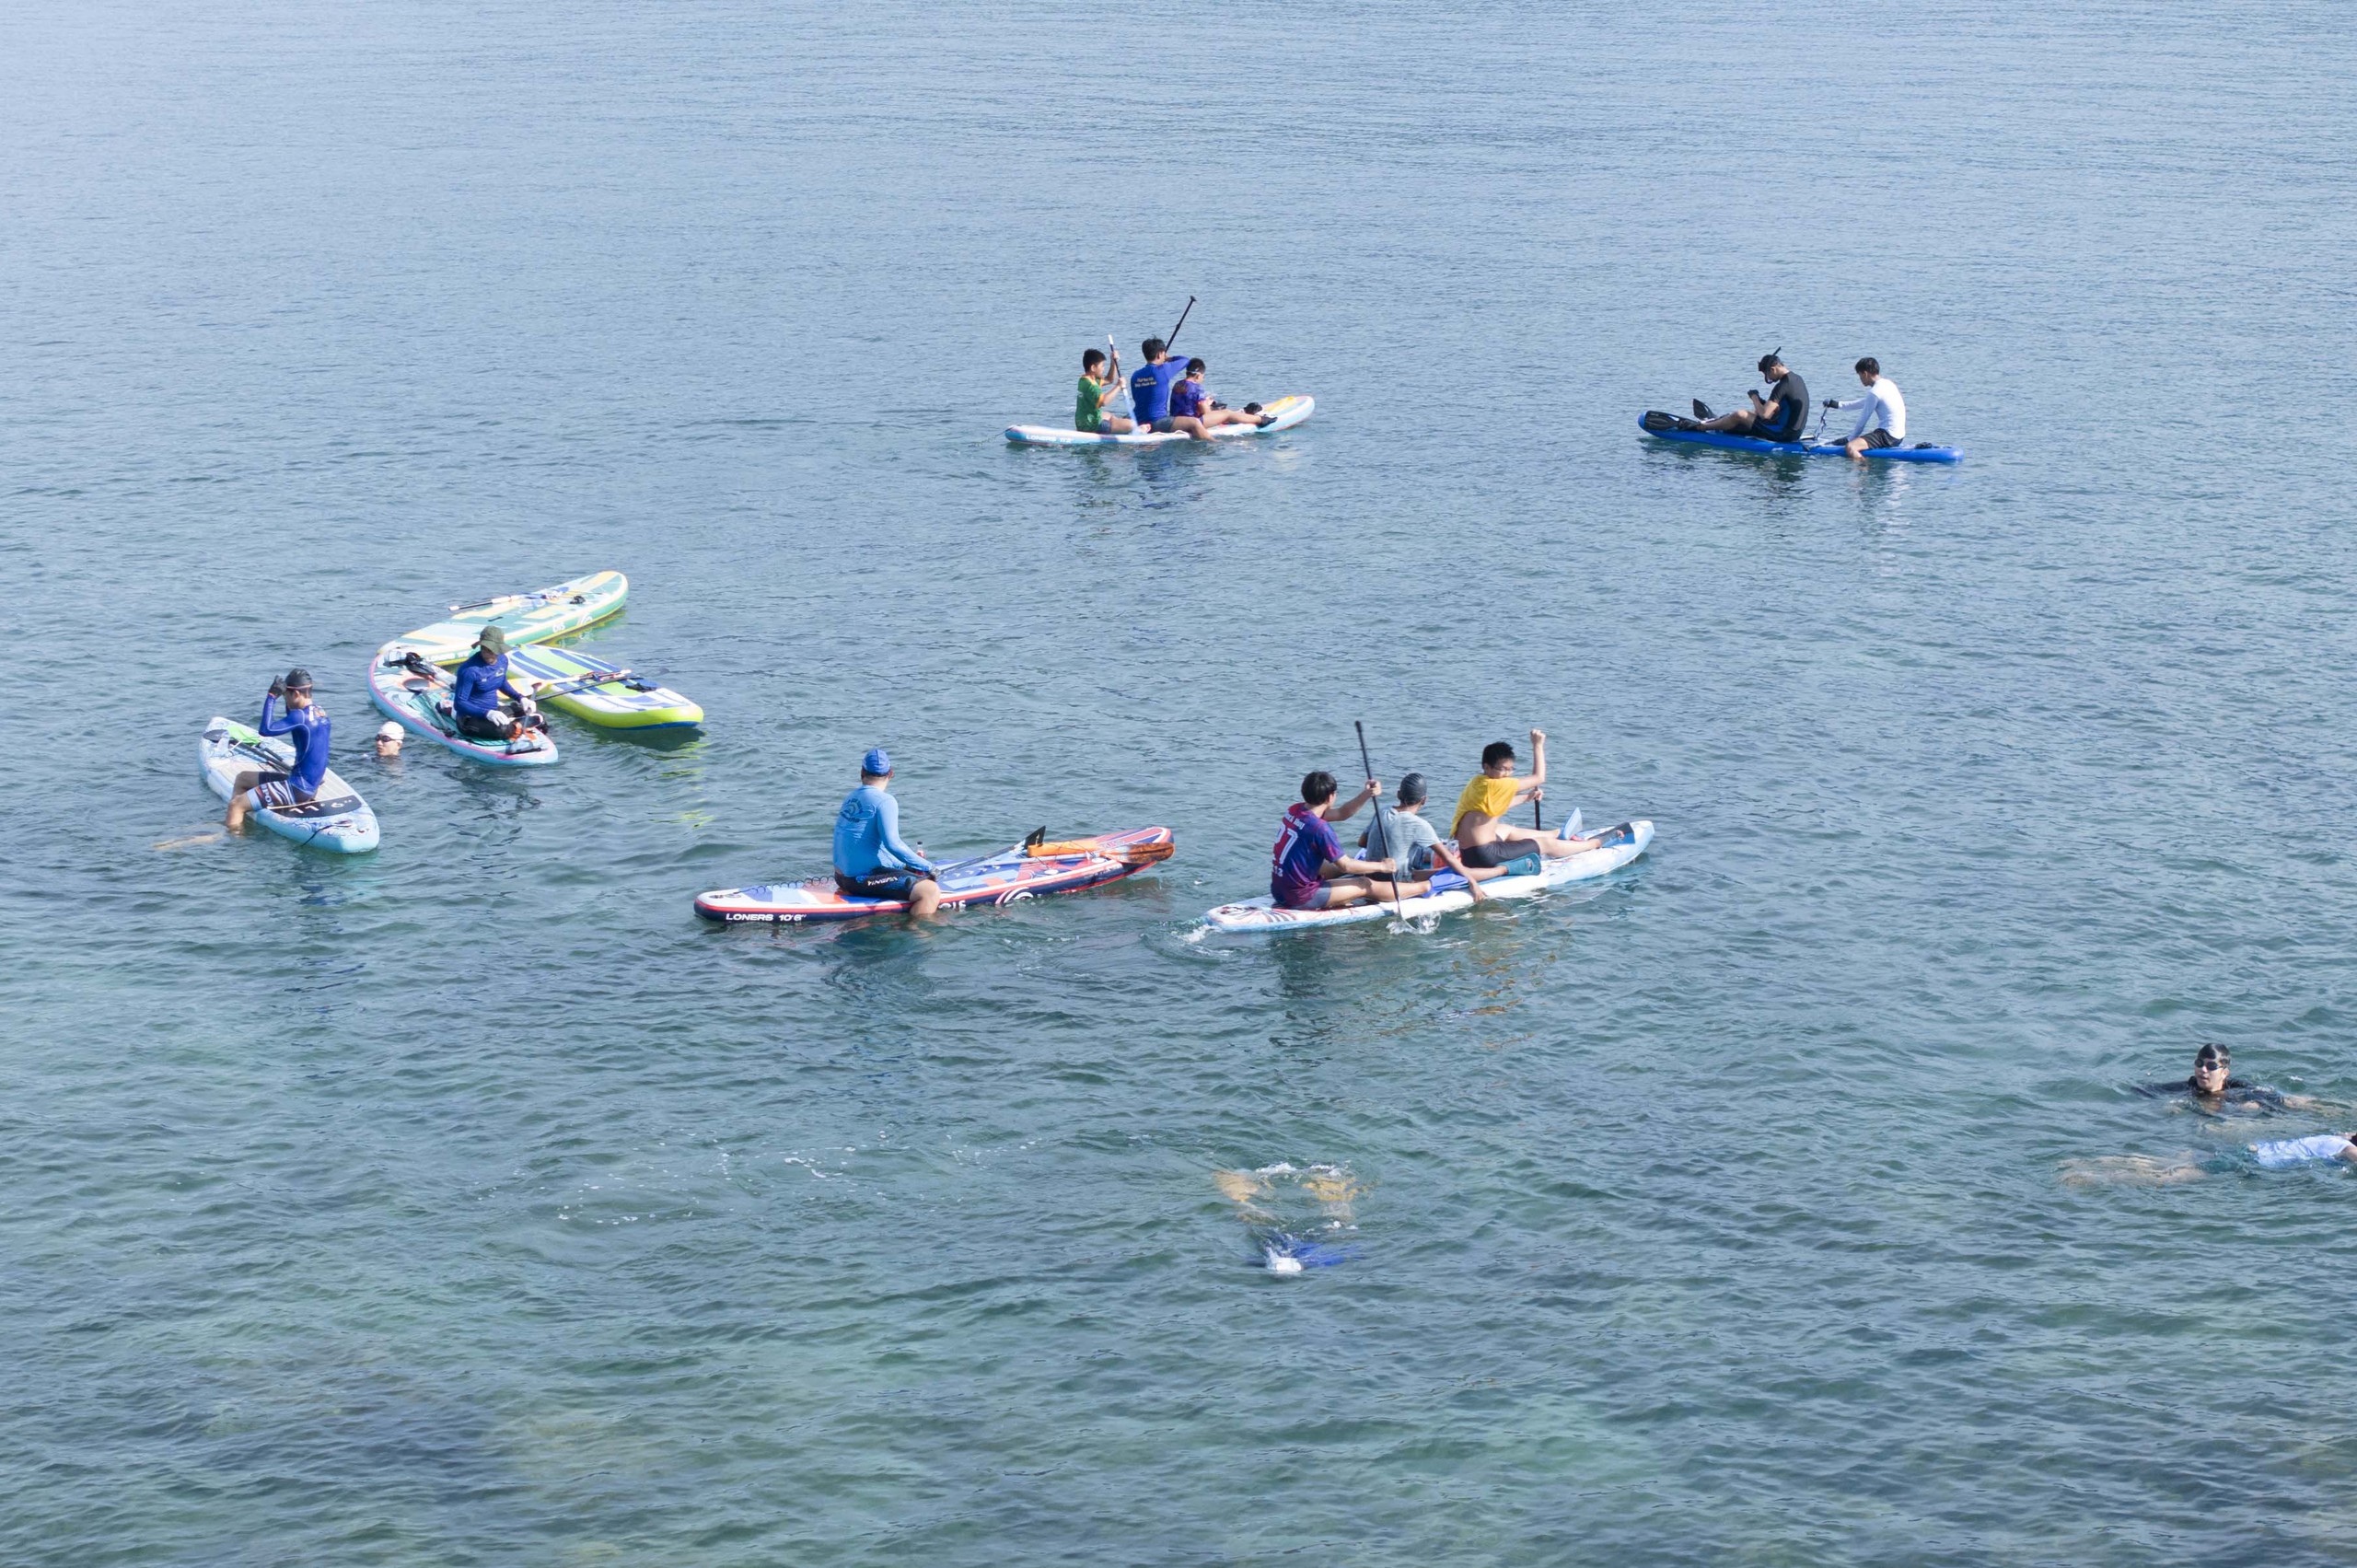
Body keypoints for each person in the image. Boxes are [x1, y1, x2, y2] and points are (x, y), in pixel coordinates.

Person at [1449, 730, 1598, 869]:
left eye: (1510, 769)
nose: (1507, 774)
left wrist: (1527, 797)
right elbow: (1539, 777)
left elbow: (1493, 807)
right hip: (1484, 856)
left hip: (1467, 854)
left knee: (1505, 829)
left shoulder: (1477, 782)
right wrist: (1537, 745)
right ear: (1487, 767)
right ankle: (1594, 843)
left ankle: (1556, 834)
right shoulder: (1496, 785)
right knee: (1545, 845)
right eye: (1502, 769)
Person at [1270, 771, 1404, 912]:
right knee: (1364, 883)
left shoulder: (1295, 810)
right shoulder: (1320, 829)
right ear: (1330, 797)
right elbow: (1346, 866)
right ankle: (1425, 886)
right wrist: (1383, 866)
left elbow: (1342, 813)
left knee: (1332, 866)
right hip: (1299, 898)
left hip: (1278, 890)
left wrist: (1367, 794)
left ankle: (1357, 873)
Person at [833, 748, 942, 917]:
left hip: (840, 877)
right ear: (891, 773)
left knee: (908, 869)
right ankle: (916, 934)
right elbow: (893, 844)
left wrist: (907, 866)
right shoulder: (885, 801)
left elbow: (868, 845)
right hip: (859, 881)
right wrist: (929, 867)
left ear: (862, 772)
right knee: (930, 891)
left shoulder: (851, 797)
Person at [1355, 772, 1487, 901]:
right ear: (1424, 800)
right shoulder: (1420, 825)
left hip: (1371, 874)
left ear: (1398, 794)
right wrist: (1473, 884)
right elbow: (1449, 858)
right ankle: (1500, 871)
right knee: (1452, 871)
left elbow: (1362, 842)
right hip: (1398, 883)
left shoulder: (1383, 811)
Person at [226, 668, 331, 831]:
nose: (285, 698)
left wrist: (272, 697)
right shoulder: (320, 713)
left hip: (297, 790)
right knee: (243, 779)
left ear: (295, 694)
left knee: (235, 805)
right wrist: (286, 695)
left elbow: (266, 730)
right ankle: (242, 818)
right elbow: (292, 714)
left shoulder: (300, 717)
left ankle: (235, 839)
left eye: (286, 695)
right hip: (310, 786)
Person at [2135, 1043, 2310, 1112]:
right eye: (2199, 1063)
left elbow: (2271, 1098)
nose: (2203, 1070)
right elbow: (2144, 1090)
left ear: (2225, 1072)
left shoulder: (2239, 1088)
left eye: (2211, 1066)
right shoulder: (2188, 1087)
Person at [1695, 352, 1810, 443]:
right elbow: (1784, 408)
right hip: (1795, 433)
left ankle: (1701, 428)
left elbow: (1765, 415)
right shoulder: (1797, 379)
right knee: (1753, 413)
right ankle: (1721, 422)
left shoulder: (1782, 386)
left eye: (1766, 374)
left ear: (1773, 369)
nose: (1767, 378)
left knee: (1740, 415)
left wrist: (1754, 397)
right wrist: (1761, 403)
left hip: (1782, 435)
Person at [451, 626, 538, 742]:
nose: (488, 654)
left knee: (533, 712)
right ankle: (519, 725)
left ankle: (517, 725)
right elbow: (459, 704)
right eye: (485, 649)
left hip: (495, 709)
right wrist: (487, 713)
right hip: (470, 718)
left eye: (492, 651)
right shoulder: (469, 670)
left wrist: (521, 698)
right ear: (480, 647)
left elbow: (501, 682)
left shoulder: (503, 660)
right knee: (502, 730)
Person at [1127, 337, 1218, 441]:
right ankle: (1215, 443)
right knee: (1194, 423)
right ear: (1160, 354)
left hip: (1138, 420)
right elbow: (1185, 361)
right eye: (1163, 353)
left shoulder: (1135, 375)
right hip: (1157, 422)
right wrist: (1168, 359)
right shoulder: (1163, 370)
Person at [1823, 357, 1907, 461]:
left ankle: (1865, 472)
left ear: (1865, 374)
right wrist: (1836, 404)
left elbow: (1862, 421)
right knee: (1862, 438)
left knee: (1851, 447)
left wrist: (1850, 439)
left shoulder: (1875, 392)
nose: (1860, 379)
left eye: (1859, 375)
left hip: (1887, 436)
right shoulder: (1888, 384)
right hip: (1899, 436)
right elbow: (1863, 402)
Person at [1168, 359, 1275, 432]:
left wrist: (1205, 403)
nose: (1203, 379)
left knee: (1217, 409)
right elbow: (1207, 413)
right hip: (1192, 423)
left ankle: (1242, 415)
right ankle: (1260, 420)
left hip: (1176, 422)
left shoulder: (1178, 384)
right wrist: (1208, 405)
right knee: (1227, 413)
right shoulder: (1197, 387)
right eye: (1203, 376)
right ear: (1198, 375)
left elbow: (1186, 403)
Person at [1075, 347, 1140, 436]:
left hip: (1082, 422)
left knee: (1108, 415)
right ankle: (1129, 428)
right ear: (1093, 368)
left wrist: (1113, 362)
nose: (1103, 369)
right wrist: (1118, 386)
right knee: (1132, 424)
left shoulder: (1085, 379)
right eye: (1102, 366)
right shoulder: (1091, 386)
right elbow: (1104, 402)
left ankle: (1118, 424)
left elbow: (1109, 379)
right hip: (1093, 426)